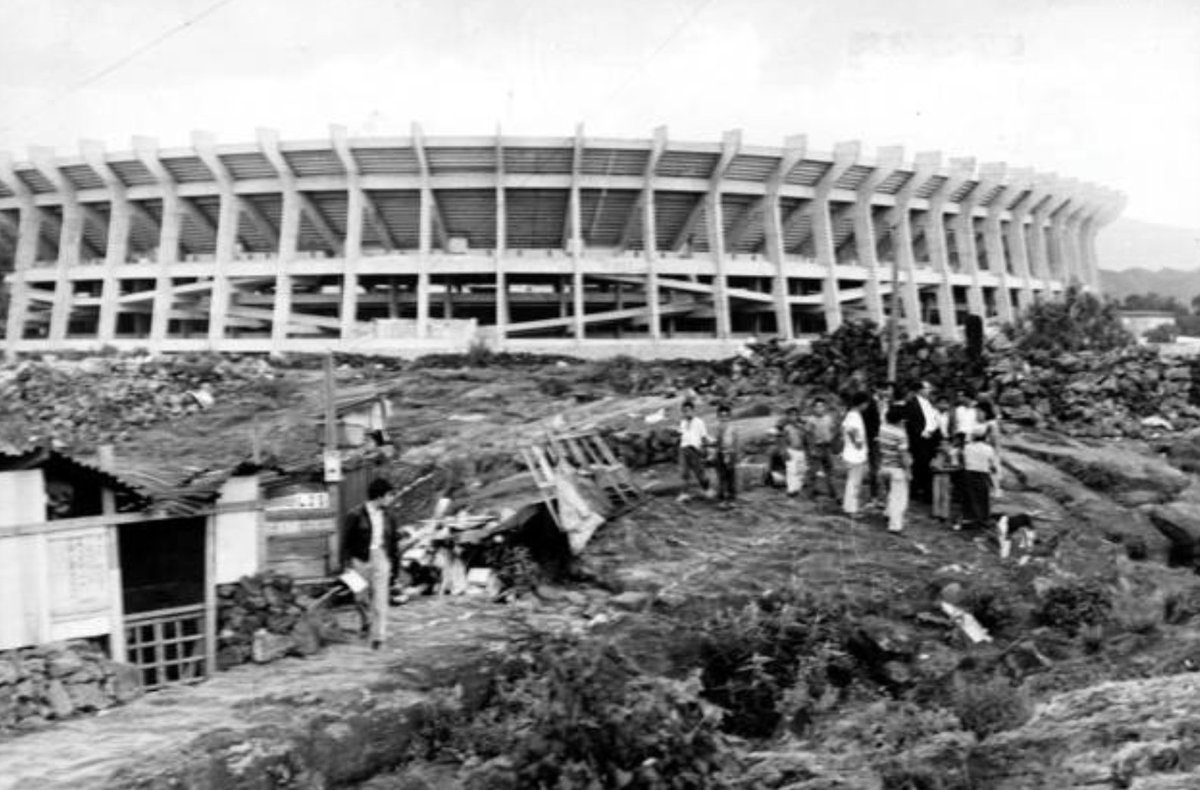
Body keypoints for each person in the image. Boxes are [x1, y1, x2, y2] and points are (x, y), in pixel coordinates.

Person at [342, 477, 401, 650]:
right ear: (379, 496)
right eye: (389, 495)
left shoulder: (390, 516)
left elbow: (394, 543)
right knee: (360, 597)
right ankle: (366, 621)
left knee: (381, 599)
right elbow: (346, 541)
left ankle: (379, 637)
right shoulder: (355, 514)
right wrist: (346, 565)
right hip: (359, 559)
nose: (391, 499)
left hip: (381, 556)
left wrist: (395, 568)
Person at [904, 381, 941, 504]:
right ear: (920, 390)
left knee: (925, 466)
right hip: (919, 440)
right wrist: (921, 433)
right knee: (919, 466)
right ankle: (917, 491)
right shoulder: (912, 403)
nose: (929, 390)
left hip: (930, 439)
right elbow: (912, 422)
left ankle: (924, 492)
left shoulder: (929, 403)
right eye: (927, 388)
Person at [878, 403, 911, 533]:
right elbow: (903, 455)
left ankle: (888, 513)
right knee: (899, 498)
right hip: (896, 469)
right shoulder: (900, 434)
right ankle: (895, 525)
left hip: (884, 466)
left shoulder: (883, 428)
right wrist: (908, 470)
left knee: (890, 493)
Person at [960, 428, 1000, 530]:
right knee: (982, 497)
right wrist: (993, 470)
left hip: (969, 473)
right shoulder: (989, 449)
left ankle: (968, 519)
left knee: (969, 496)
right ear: (984, 437)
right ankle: (982, 519)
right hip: (982, 473)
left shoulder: (967, 447)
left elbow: (964, 460)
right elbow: (992, 464)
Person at [841, 392, 870, 518]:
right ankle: (851, 509)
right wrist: (857, 443)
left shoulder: (852, 414)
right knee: (854, 483)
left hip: (853, 453)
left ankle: (850, 507)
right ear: (862, 403)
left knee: (853, 482)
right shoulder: (854, 415)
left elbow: (844, 427)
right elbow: (850, 430)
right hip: (854, 455)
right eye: (866, 403)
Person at [804, 397, 838, 500]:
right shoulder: (811, 420)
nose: (820, 408)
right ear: (813, 408)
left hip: (827, 447)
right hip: (817, 447)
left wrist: (832, 439)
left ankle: (833, 493)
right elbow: (808, 435)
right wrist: (811, 449)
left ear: (825, 407)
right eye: (817, 406)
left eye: (822, 406)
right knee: (813, 471)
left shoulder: (828, 418)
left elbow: (833, 429)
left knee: (830, 470)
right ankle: (810, 493)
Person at [677, 401, 711, 500]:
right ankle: (684, 493)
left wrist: (706, 449)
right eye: (683, 411)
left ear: (693, 410)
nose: (686, 413)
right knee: (684, 472)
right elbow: (681, 435)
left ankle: (707, 490)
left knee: (699, 471)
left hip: (694, 449)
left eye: (687, 410)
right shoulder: (682, 422)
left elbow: (704, 436)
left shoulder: (699, 422)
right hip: (683, 449)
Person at [713, 404, 740, 507]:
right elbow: (718, 442)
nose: (723, 419)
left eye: (726, 416)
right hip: (720, 454)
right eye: (721, 416)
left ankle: (732, 498)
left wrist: (735, 454)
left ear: (729, 417)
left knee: (731, 477)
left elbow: (736, 442)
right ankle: (722, 498)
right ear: (718, 417)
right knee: (722, 477)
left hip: (730, 454)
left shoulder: (732, 428)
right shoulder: (718, 428)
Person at [781, 406, 807, 497]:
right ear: (788, 417)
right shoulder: (787, 428)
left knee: (801, 470)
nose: (793, 417)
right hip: (791, 450)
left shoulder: (802, 427)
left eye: (795, 415)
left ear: (798, 416)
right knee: (791, 470)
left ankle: (798, 488)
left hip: (801, 451)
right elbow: (784, 440)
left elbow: (806, 439)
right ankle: (791, 489)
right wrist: (785, 451)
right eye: (791, 416)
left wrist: (801, 429)